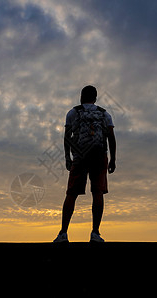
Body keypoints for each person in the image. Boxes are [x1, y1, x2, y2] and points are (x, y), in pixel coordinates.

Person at [53, 85, 116, 243]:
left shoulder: (73, 112)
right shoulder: (104, 114)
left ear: (81, 97)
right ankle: (95, 233)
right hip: (99, 156)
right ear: (95, 98)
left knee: (71, 194)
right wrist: (113, 159)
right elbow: (111, 138)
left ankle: (63, 233)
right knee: (98, 193)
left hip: (80, 157)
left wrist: (68, 157)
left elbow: (67, 137)